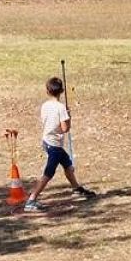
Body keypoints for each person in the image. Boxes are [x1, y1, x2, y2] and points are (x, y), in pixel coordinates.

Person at [24, 77, 94, 213]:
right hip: (54, 145)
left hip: (46, 141)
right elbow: (64, 129)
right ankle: (31, 200)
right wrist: (68, 118)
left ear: (47, 91)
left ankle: (76, 188)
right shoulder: (61, 108)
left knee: (67, 165)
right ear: (61, 91)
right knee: (48, 173)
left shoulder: (45, 105)